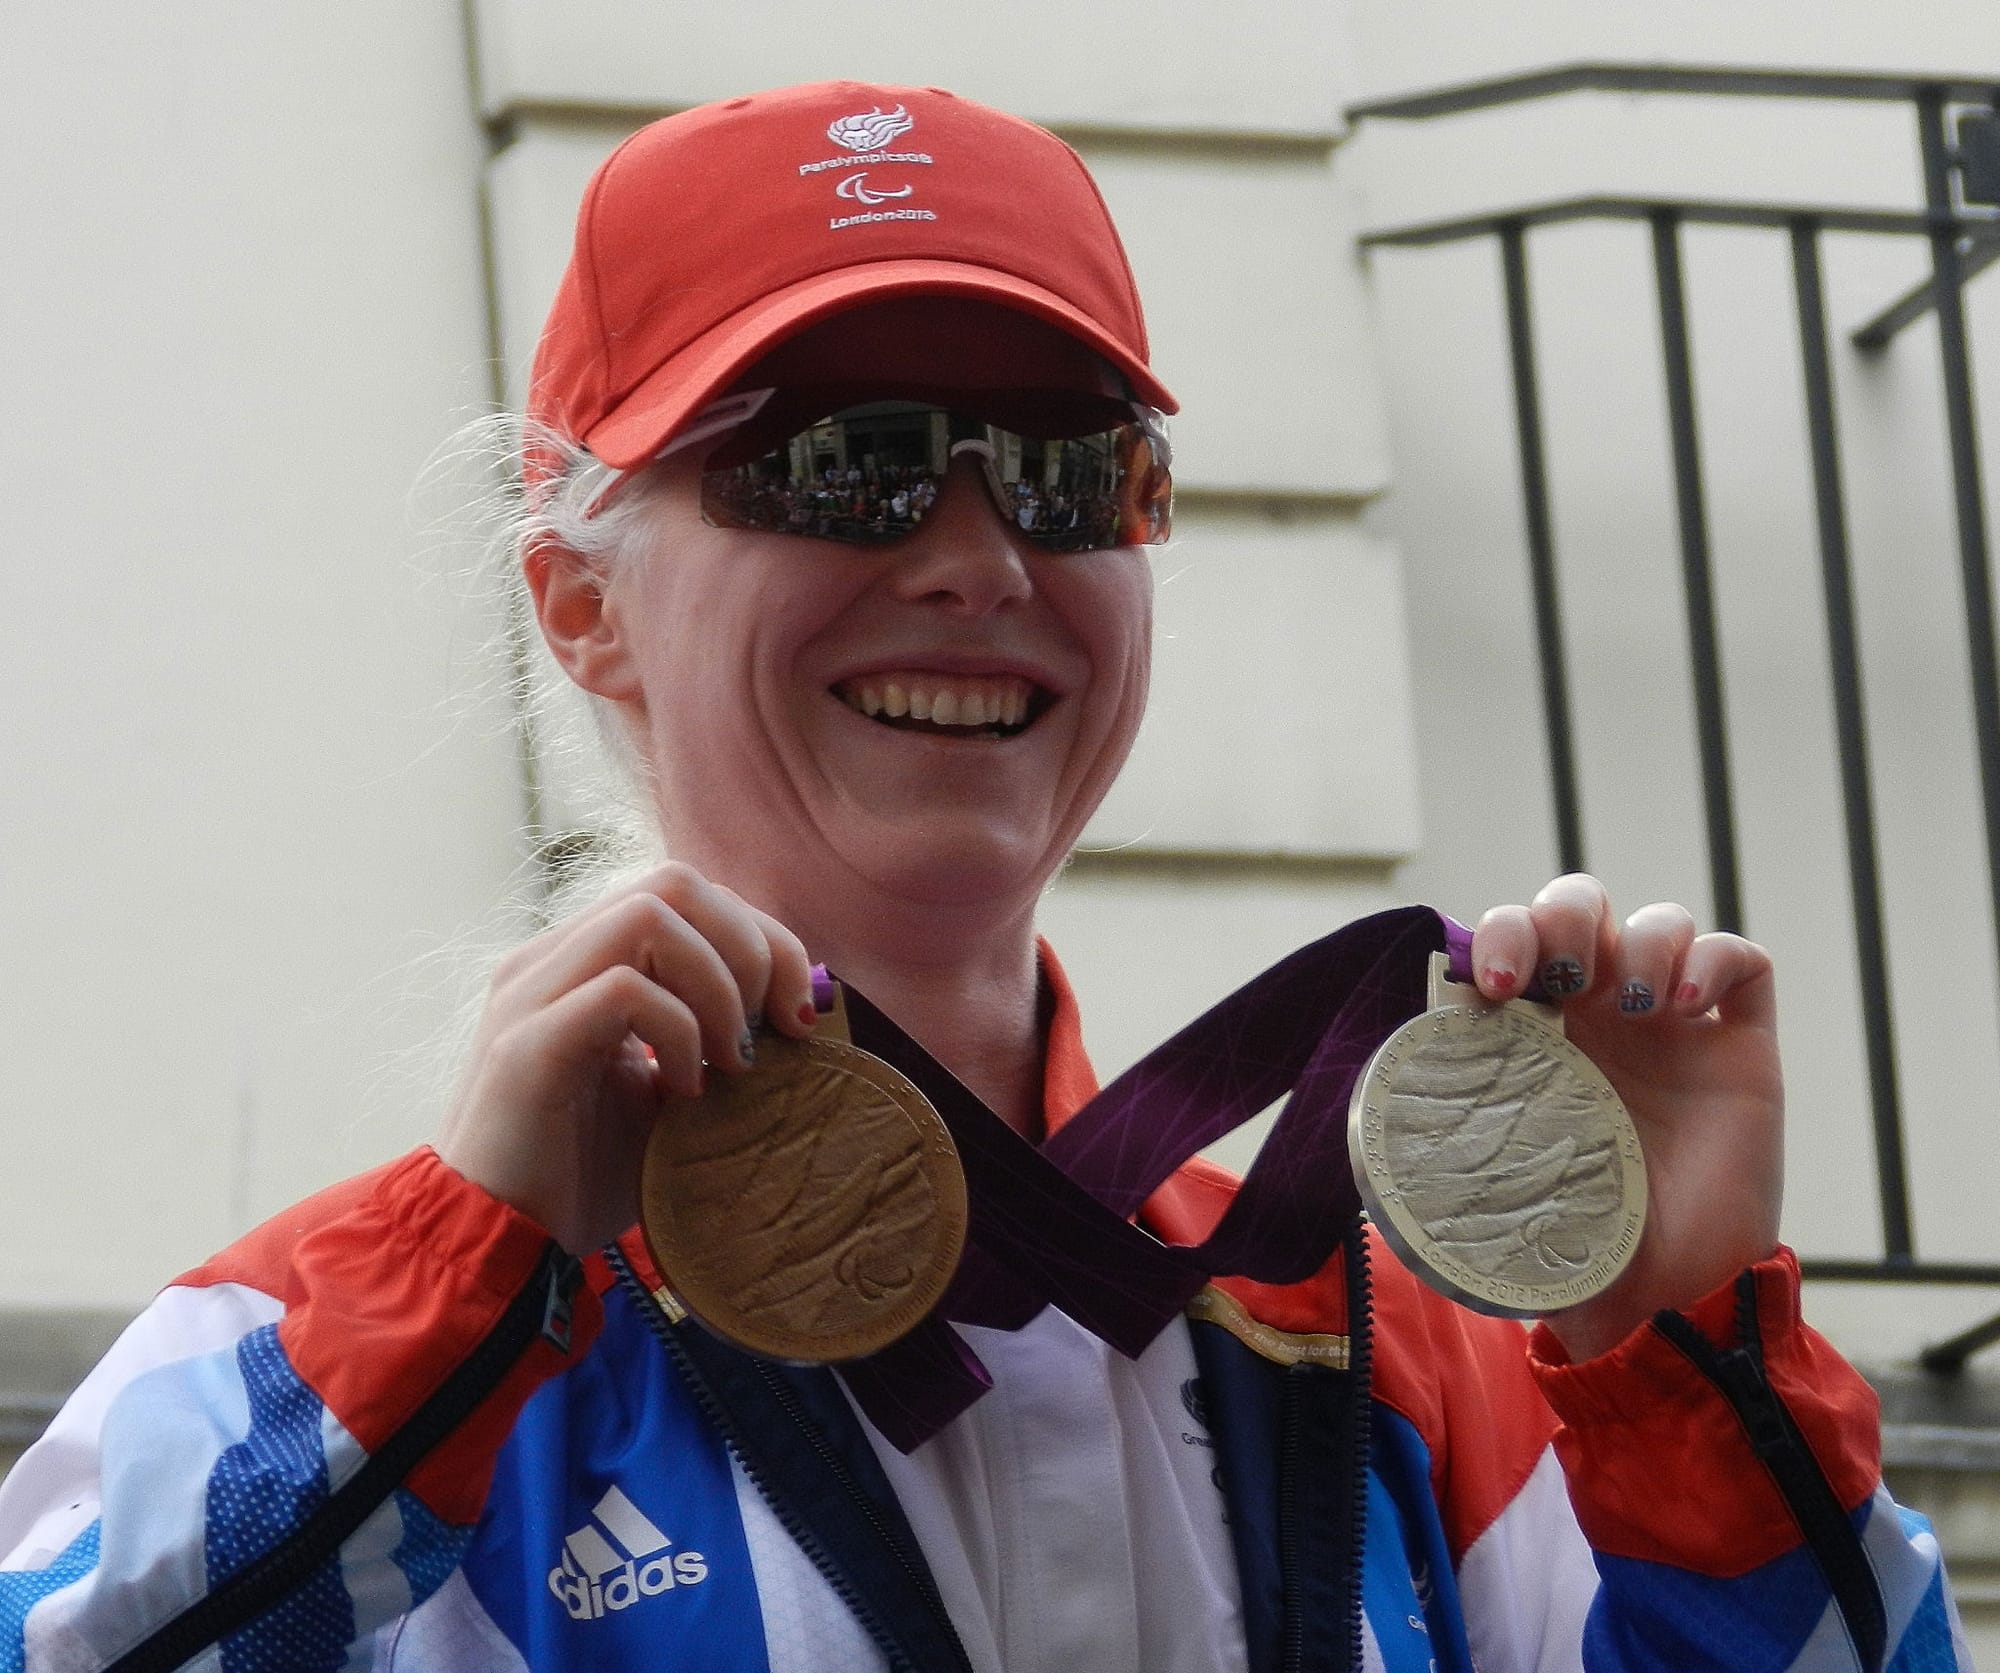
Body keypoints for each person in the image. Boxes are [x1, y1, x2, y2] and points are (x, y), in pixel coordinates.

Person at [0, 79, 1969, 1673]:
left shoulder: (1394, 1332)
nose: (973, 557)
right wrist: (456, 1290)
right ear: (582, 605)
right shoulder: (323, 1356)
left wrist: (1681, 1328)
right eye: (842, 461)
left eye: (1063, 467)